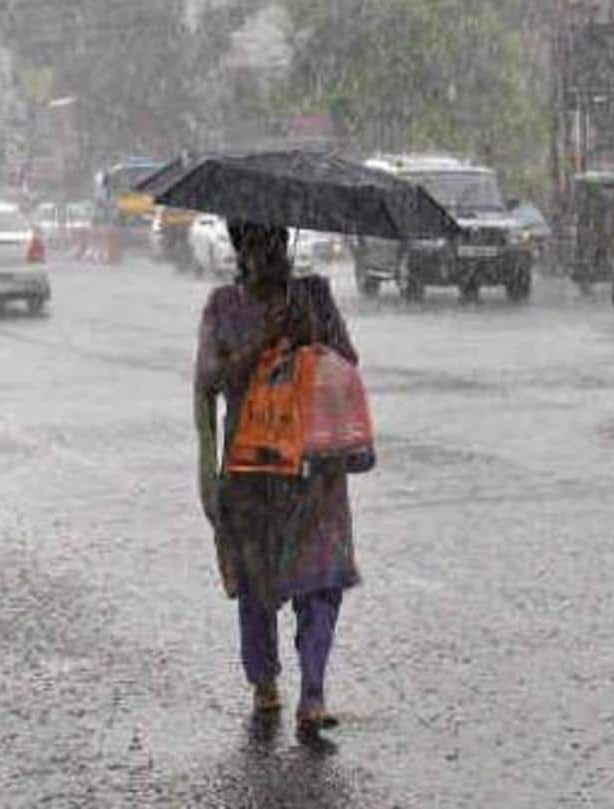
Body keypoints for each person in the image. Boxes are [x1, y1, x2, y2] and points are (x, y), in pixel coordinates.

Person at [193, 220, 361, 740]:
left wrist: (307, 333)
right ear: (241, 250)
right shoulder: (224, 306)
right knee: (256, 586)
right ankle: (264, 681)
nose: (267, 256)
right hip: (252, 469)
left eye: (274, 244)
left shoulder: (312, 296)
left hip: (312, 466)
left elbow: (348, 362)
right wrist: (263, 342)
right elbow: (211, 381)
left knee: (322, 580)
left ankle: (313, 693)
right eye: (255, 246)